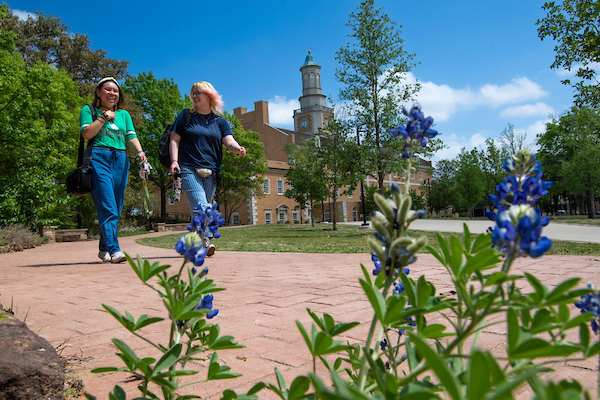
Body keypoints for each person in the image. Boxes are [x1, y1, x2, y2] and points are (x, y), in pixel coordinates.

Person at [169, 81, 246, 256]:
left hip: (211, 171)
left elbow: (228, 141)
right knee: (203, 207)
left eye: (198, 93)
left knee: (199, 210)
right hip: (188, 167)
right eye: (193, 93)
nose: (194, 96)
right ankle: (207, 239)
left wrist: (238, 148)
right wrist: (174, 161)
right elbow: (174, 140)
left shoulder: (220, 122)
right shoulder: (185, 116)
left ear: (209, 96)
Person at [80, 77, 147, 263]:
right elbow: (87, 134)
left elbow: (131, 135)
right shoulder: (89, 110)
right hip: (98, 158)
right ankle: (115, 250)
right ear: (98, 92)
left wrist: (140, 151)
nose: (112, 93)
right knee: (107, 205)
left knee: (116, 207)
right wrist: (103, 117)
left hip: (120, 159)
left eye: (115, 91)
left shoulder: (124, 115)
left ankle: (104, 248)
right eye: (108, 89)